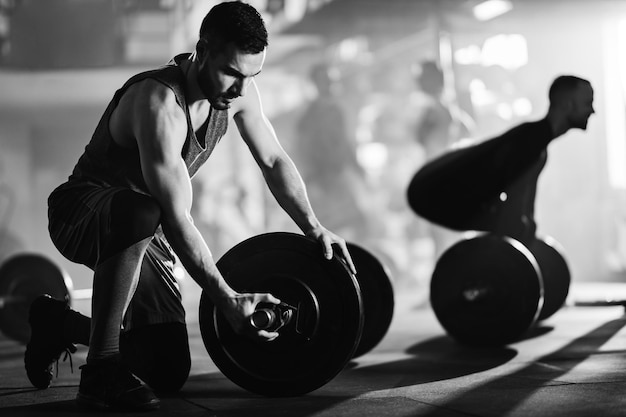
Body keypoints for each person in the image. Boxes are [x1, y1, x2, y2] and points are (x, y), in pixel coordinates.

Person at [25, 2, 355, 412]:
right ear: (202, 50)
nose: (239, 89)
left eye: (251, 76)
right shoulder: (158, 103)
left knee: (165, 370)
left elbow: (273, 160)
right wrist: (227, 299)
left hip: (148, 230)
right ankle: (99, 370)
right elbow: (177, 218)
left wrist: (313, 227)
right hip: (82, 212)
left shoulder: (238, 93)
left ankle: (56, 324)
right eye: (232, 73)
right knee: (142, 212)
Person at [407, 75, 595, 244]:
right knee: (511, 226)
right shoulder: (532, 141)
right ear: (567, 104)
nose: (592, 111)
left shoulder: (538, 145)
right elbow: (516, 208)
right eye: (587, 103)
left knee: (515, 227)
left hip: (429, 189)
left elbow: (525, 211)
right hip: (428, 193)